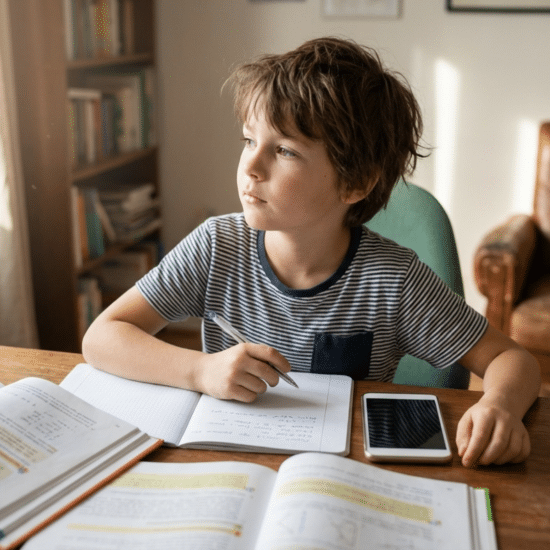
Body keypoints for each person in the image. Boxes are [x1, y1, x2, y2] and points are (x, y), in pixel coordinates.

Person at [83, 37, 541, 468]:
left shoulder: (393, 280)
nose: (251, 166)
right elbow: (103, 337)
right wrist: (200, 370)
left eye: (283, 150)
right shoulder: (215, 246)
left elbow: (512, 360)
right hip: (229, 462)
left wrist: (500, 406)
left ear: (355, 183)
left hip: (340, 474)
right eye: (249, 140)